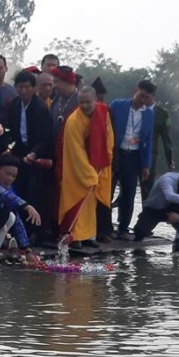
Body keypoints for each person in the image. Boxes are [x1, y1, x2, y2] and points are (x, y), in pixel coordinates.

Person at [57, 87, 113, 248]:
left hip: (96, 165)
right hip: (77, 168)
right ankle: (73, 236)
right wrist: (89, 174)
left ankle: (88, 235)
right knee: (76, 199)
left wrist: (105, 161)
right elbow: (76, 151)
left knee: (90, 203)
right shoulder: (73, 121)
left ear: (95, 100)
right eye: (81, 102)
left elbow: (109, 138)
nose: (85, 106)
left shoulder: (103, 113)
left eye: (88, 102)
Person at [5, 70, 53, 241]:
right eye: (20, 87)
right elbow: (10, 130)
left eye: (26, 87)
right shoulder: (14, 104)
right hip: (19, 155)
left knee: (35, 194)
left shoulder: (40, 108)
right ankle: (19, 230)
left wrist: (34, 153)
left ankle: (34, 232)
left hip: (36, 156)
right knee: (19, 190)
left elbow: (46, 137)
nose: (23, 91)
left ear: (33, 88)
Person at [110, 79, 157, 238]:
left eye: (146, 98)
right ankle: (102, 226)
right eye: (141, 95)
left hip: (134, 156)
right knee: (106, 191)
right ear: (135, 91)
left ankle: (123, 227)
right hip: (115, 153)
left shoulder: (149, 113)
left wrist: (146, 165)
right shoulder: (117, 105)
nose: (142, 100)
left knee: (128, 194)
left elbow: (148, 139)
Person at [134, 161, 179, 253]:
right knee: (139, 232)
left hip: (173, 211)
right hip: (154, 209)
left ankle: (178, 238)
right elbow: (169, 196)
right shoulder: (168, 178)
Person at [141, 97, 174, 201]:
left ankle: (147, 215)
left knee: (148, 189)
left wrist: (169, 159)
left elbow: (166, 138)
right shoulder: (135, 109)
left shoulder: (162, 113)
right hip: (131, 152)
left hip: (151, 155)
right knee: (127, 186)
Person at [49, 65, 79, 137]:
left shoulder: (81, 100)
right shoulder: (55, 100)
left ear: (67, 81)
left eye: (56, 82)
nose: (54, 86)